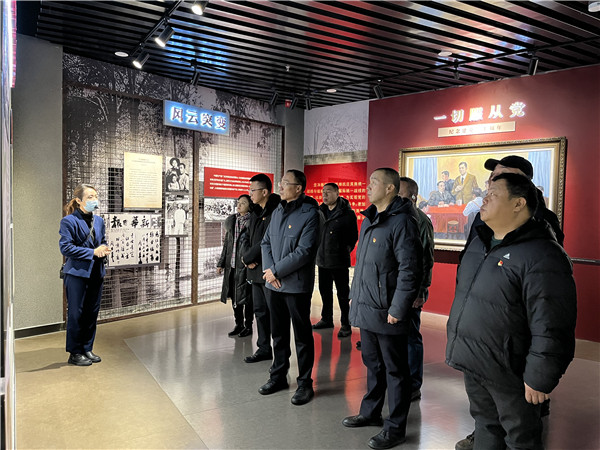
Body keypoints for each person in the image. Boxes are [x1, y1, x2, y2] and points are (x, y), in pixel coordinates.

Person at [447, 173, 576, 450]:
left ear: (518, 204)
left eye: (493, 194)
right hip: (474, 359)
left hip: (511, 368)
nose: (484, 200)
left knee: (520, 437)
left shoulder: (542, 254)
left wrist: (539, 376)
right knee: (485, 426)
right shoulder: (479, 244)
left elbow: (552, 323)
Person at [343, 168, 422, 450]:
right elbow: (364, 265)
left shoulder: (403, 222)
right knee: (372, 364)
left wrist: (398, 308)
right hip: (368, 306)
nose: (368, 187)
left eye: (374, 182)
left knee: (395, 371)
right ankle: (370, 412)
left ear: (390, 188)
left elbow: (409, 269)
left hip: (388, 310)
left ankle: (395, 428)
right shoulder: (369, 220)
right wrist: (355, 296)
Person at [259, 169, 320, 406]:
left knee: (302, 336)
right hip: (273, 285)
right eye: (281, 182)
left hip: (296, 286)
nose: (280, 187)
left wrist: (275, 271)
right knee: (279, 334)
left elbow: (304, 252)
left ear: (298, 188)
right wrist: (269, 271)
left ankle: (305, 383)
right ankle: (278, 376)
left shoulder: (311, 214)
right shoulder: (277, 210)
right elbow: (265, 242)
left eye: (285, 183)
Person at [59, 184, 111, 366]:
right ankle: (75, 352)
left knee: (92, 312)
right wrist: (92, 252)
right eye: (90, 197)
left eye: (95, 196)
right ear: (79, 200)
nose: (94, 200)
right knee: (76, 313)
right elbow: (65, 248)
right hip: (77, 274)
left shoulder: (99, 221)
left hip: (96, 272)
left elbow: (102, 240)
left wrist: (103, 248)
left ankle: (87, 348)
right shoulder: (69, 221)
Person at [399, 177, 434, 402]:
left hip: (412, 291)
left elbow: (426, 259)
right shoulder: (394, 217)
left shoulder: (421, 221)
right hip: (394, 290)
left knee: (411, 337)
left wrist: (420, 290)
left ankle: (413, 384)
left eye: (400, 194)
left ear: (412, 197)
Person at [241, 174, 281, 363]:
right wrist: (245, 258)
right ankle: (264, 348)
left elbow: (267, 240)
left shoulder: (276, 212)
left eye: (253, 190)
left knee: (275, 313)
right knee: (260, 311)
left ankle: (280, 353)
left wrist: (249, 257)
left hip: (269, 271)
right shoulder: (255, 212)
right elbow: (245, 237)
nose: (250, 194)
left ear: (264, 192)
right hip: (254, 270)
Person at [313, 182, 358, 337]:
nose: (325, 195)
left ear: (337, 193)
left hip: (339, 261)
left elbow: (353, 237)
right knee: (324, 292)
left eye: (328, 192)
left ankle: (346, 324)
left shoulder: (347, 214)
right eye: (323, 192)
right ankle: (326, 319)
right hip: (322, 260)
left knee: (343, 294)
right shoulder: (320, 211)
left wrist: (343, 249)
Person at [217, 194, 254, 338]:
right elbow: (227, 244)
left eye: (243, 203)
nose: (239, 205)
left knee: (248, 298)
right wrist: (221, 263)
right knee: (234, 296)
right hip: (232, 266)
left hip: (246, 266)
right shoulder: (232, 221)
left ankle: (248, 325)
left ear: (249, 205)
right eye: (238, 202)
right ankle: (239, 324)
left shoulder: (253, 221)